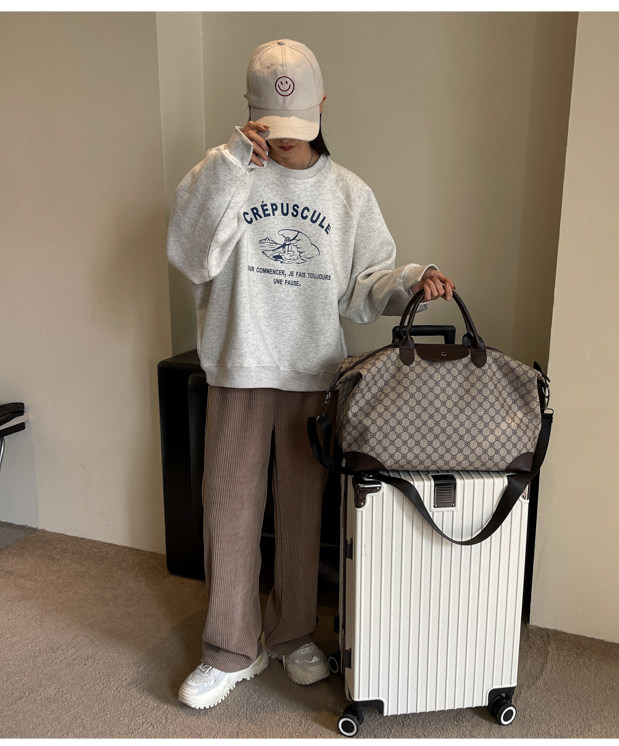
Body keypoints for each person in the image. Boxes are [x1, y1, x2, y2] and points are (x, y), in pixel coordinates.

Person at [167, 39, 454, 710]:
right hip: (239, 365)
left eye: (297, 123)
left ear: (322, 104)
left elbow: (363, 286)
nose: (285, 139)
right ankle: (231, 649)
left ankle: (294, 633)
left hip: (314, 371)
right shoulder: (224, 173)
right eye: (270, 124)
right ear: (249, 111)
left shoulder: (348, 193)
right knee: (229, 511)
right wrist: (232, 164)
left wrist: (413, 279)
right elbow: (190, 254)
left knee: (301, 511)